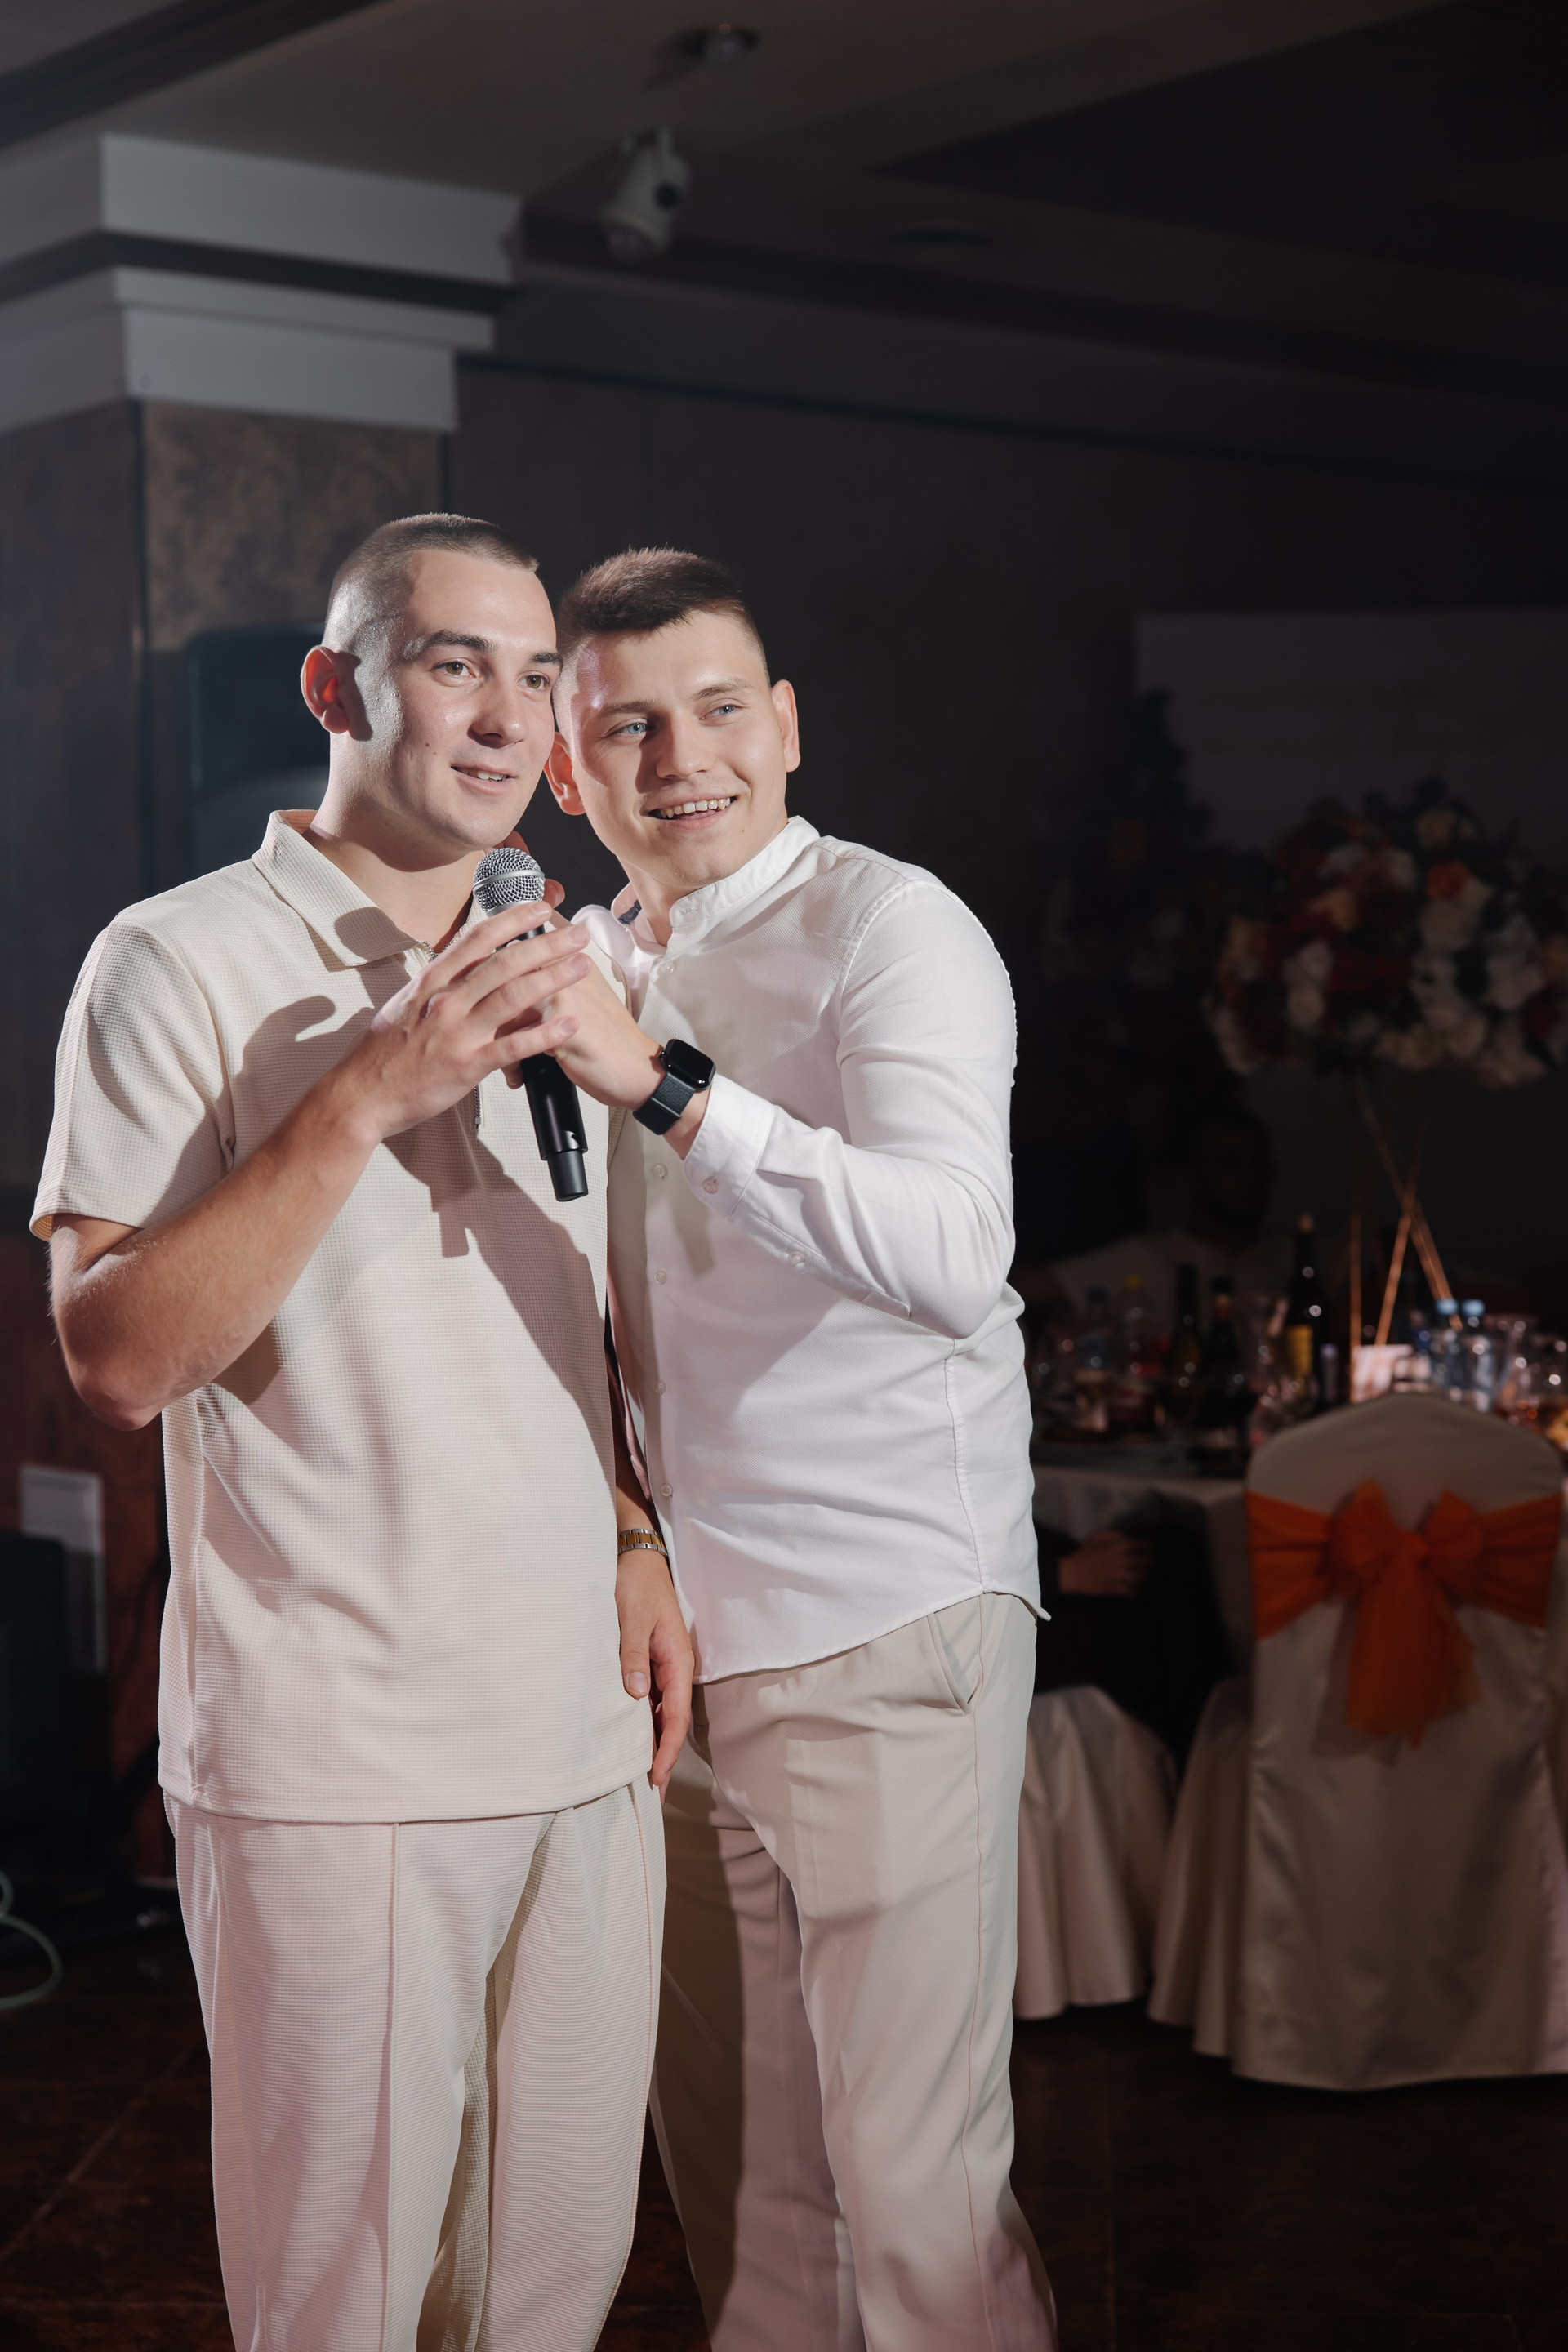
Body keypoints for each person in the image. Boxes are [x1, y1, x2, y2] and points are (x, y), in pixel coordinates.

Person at [35, 514, 691, 2352]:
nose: (504, 719)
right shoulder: (172, 958)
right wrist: (363, 1097)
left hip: (580, 1734)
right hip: (343, 1755)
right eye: (453, 664)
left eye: (534, 675)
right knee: (344, 2305)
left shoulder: (564, 957)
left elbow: (578, 1314)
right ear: (336, 688)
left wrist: (632, 1533)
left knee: (551, 2290)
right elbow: (114, 1359)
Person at [533, 547, 1055, 2350]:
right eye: (630, 727)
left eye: (719, 711)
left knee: (912, 2190)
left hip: (887, 1618)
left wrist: (663, 1082)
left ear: (787, 725)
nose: (683, 758)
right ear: (567, 768)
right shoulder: (581, 964)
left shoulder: (894, 927)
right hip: (674, 1658)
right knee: (744, 2195)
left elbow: (951, 1253)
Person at [1038, 1102, 1291, 1334]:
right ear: (1196, 1171)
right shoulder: (1147, 1257)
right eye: (1229, 1164)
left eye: (1258, 1163)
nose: (1247, 1178)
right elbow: (1030, 1285)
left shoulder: (1291, 1258)